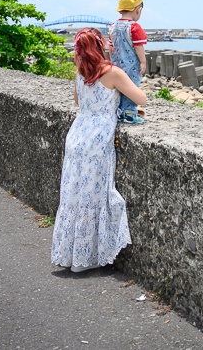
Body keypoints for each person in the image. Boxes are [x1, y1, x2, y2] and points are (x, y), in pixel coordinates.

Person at [50, 27, 147, 273]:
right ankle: (90, 256)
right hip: (98, 139)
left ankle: (71, 254)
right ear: (101, 45)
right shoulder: (112, 72)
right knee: (95, 195)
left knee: (74, 196)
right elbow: (141, 98)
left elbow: (77, 102)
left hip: (77, 135)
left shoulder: (81, 73)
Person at [107, 0, 148, 124]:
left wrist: (112, 62)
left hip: (116, 66)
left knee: (117, 89)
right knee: (131, 88)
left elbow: (111, 48)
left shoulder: (112, 26)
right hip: (131, 66)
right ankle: (129, 114)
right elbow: (138, 47)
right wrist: (142, 62)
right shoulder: (135, 28)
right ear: (138, 10)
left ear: (120, 10)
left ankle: (117, 111)